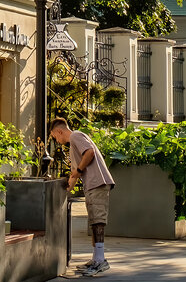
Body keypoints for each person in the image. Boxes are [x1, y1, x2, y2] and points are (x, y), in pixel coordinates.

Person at [50, 117, 114, 277]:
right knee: (94, 221)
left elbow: (90, 153)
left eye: (54, 137)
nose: (56, 141)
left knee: (98, 221)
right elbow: (74, 174)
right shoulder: (73, 145)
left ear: (59, 131)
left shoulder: (76, 136)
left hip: (98, 182)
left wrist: (78, 170)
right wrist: (64, 192)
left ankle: (100, 261)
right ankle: (96, 259)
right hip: (92, 184)